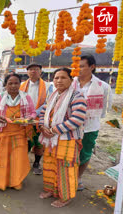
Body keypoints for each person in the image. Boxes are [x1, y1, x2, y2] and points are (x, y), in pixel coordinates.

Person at [38, 68, 87, 208]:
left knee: (66, 168)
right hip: (50, 139)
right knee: (49, 164)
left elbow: (77, 119)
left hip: (67, 140)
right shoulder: (53, 96)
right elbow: (43, 112)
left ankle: (66, 197)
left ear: (71, 80)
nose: (59, 80)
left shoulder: (77, 96)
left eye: (63, 77)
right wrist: (42, 127)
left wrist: (53, 130)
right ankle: (50, 190)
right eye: (56, 78)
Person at [73, 55, 112, 191]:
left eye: (82, 66)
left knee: (85, 153)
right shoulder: (70, 82)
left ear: (92, 67)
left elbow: (105, 109)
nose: (78, 69)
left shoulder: (103, 87)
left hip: (90, 127)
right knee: (67, 153)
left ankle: (78, 178)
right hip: (70, 126)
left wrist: (89, 117)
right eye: (77, 66)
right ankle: (67, 177)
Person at [0, 73, 36, 190]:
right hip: (4, 132)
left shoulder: (26, 97)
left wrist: (30, 118)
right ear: (5, 85)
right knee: (3, 157)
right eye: (10, 83)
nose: (13, 86)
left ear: (20, 84)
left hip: (20, 132)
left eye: (16, 83)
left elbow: (33, 112)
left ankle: (16, 182)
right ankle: (2, 182)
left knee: (18, 157)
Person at [19, 63, 53, 175]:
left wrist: (35, 113)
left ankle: (37, 163)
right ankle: (23, 163)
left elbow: (49, 102)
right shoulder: (21, 85)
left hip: (40, 118)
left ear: (40, 72)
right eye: (31, 69)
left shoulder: (48, 86)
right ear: (27, 72)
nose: (33, 71)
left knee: (39, 142)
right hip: (25, 119)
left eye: (36, 69)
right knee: (25, 141)